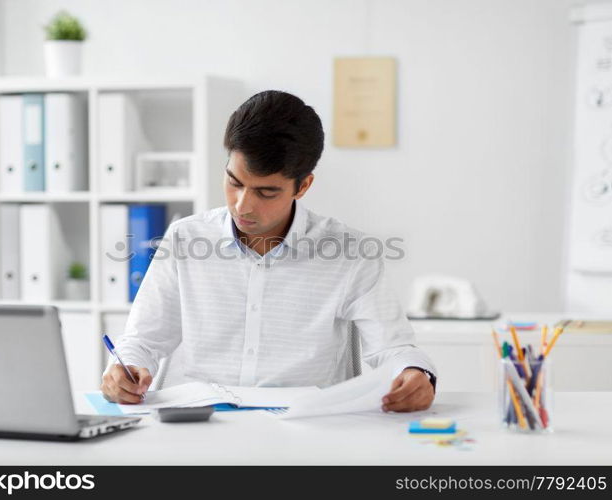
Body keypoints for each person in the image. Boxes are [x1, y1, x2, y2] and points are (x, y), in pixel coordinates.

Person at [101, 90, 436, 412]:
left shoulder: (351, 254)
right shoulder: (184, 238)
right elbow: (142, 340)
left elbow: (393, 348)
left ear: (302, 186)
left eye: (266, 192)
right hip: (199, 426)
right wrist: (124, 369)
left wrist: (414, 374)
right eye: (234, 182)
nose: (242, 205)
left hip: (306, 435)